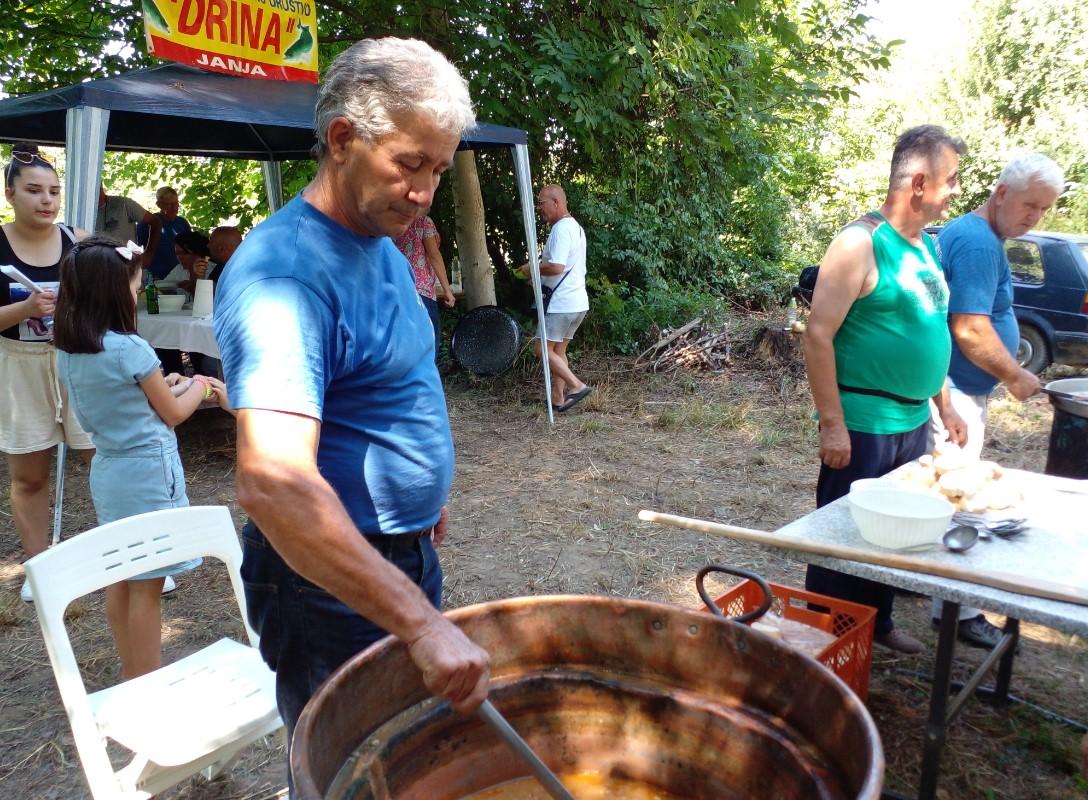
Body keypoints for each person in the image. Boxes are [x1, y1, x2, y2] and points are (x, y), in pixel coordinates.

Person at [214, 37, 490, 743]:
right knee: (348, 765)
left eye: (436, 167)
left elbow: (390, 380)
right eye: (408, 164)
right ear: (342, 139)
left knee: (405, 753)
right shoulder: (286, 275)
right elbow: (273, 486)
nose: (425, 191)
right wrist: (422, 622)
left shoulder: (381, 241)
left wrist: (420, 492)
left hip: (395, 548)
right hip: (323, 584)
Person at [802, 125, 968, 655]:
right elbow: (818, 334)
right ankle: (825, 640)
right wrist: (833, 423)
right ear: (920, 182)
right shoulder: (861, 242)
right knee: (843, 540)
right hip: (864, 422)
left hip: (913, 422)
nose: (956, 190)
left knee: (892, 533)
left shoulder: (925, 247)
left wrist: (945, 404)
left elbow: (931, 328)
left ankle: (880, 622)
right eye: (952, 179)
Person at [54, 237, 229, 678]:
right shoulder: (130, 348)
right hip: (149, 473)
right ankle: (147, 681)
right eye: (134, 284)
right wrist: (200, 386)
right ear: (115, 291)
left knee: (121, 574)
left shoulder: (71, 351)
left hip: (110, 469)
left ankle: (132, 673)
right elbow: (171, 415)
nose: (136, 291)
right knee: (148, 587)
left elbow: (129, 402)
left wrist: (170, 385)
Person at [929, 153, 1064, 648]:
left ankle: (942, 598)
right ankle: (958, 614)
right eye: (1029, 204)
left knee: (945, 498)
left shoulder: (980, 236)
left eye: (1043, 210)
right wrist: (1015, 374)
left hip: (961, 392)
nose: (1033, 218)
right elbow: (968, 327)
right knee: (958, 502)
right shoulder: (978, 243)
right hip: (955, 394)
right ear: (1001, 193)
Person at [0, 143, 94, 603]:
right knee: (30, 475)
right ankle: (40, 571)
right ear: (9, 192)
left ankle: (138, 560)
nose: (47, 200)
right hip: (18, 367)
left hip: (78, 361)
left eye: (54, 191)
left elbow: (109, 302)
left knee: (106, 462)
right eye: (34, 190)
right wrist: (24, 307)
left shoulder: (78, 241)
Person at [519, 184, 592, 412]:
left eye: (542, 203)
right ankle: (558, 399)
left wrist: (533, 269)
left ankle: (576, 386)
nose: (540, 208)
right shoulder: (576, 228)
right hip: (578, 302)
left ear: (557, 202)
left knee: (541, 349)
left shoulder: (561, 229)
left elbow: (557, 266)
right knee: (558, 352)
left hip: (562, 303)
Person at [394, 213, 454, 358]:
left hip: (396, 292)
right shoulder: (423, 221)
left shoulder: (392, 221)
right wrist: (448, 291)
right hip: (421, 293)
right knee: (429, 348)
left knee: (404, 348)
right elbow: (434, 255)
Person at [96, 186, 160, 266]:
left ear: (100, 187)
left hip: (126, 266)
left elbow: (155, 221)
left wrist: (148, 254)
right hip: (99, 266)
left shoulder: (123, 204)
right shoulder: (83, 212)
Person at [137, 186, 191, 280]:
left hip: (179, 276)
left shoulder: (182, 223)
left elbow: (191, 250)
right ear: (159, 204)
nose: (174, 208)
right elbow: (137, 250)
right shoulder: (147, 223)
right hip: (154, 276)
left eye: (176, 204)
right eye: (169, 205)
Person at [163, 230, 212, 296]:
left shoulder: (212, 270)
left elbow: (206, 298)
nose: (179, 257)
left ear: (197, 252)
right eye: (177, 254)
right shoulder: (179, 268)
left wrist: (191, 286)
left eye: (184, 253)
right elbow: (163, 286)